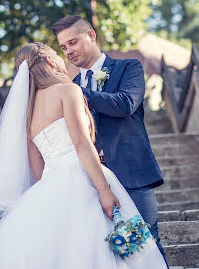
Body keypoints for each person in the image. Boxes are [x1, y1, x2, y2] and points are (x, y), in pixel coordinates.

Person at [0, 42, 167, 269]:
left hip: (49, 185)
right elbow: (82, 144)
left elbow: (37, 165)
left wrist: (49, 195)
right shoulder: (68, 91)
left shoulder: (26, 112)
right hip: (82, 176)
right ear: (50, 61)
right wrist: (104, 190)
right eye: (57, 54)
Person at [52, 15, 167, 264]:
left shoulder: (128, 68)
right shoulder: (70, 85)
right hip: (91, 182)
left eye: (73, 42)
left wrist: (77, 93)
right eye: (63, 47)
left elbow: (126, 104)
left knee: (147, 247)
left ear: (91, 35)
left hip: (132, 174)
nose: (69, 51)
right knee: (108, 256)